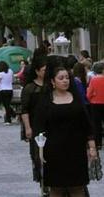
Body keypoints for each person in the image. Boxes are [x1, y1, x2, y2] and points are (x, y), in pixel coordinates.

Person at [35, 66, 97, 197]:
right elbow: (39, 127)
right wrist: (39, 150)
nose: (65, 81)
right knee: (56, 188)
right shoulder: (46, 101)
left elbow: (86, 124)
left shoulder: (76, 99)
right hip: (53, 151)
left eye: (67, 78)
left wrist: (92, 147)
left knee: (78, 187)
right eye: (61, 78)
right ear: (52, 81)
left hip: (76, 149)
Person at [20, 56, 47, 192]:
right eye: (43, 70)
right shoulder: (29, 88)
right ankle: (43, 184)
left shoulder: (51, 85)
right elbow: (24, 110)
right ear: (37, 71)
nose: (46, 72)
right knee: (38, 156)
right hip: (36, 126)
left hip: (51, 125)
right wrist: (27, 127)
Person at [86, 62, 104, 150]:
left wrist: (90, 99)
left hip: (95, 103)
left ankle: (98, 143)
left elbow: (89, 94)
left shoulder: (93, 79)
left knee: (96, 125)